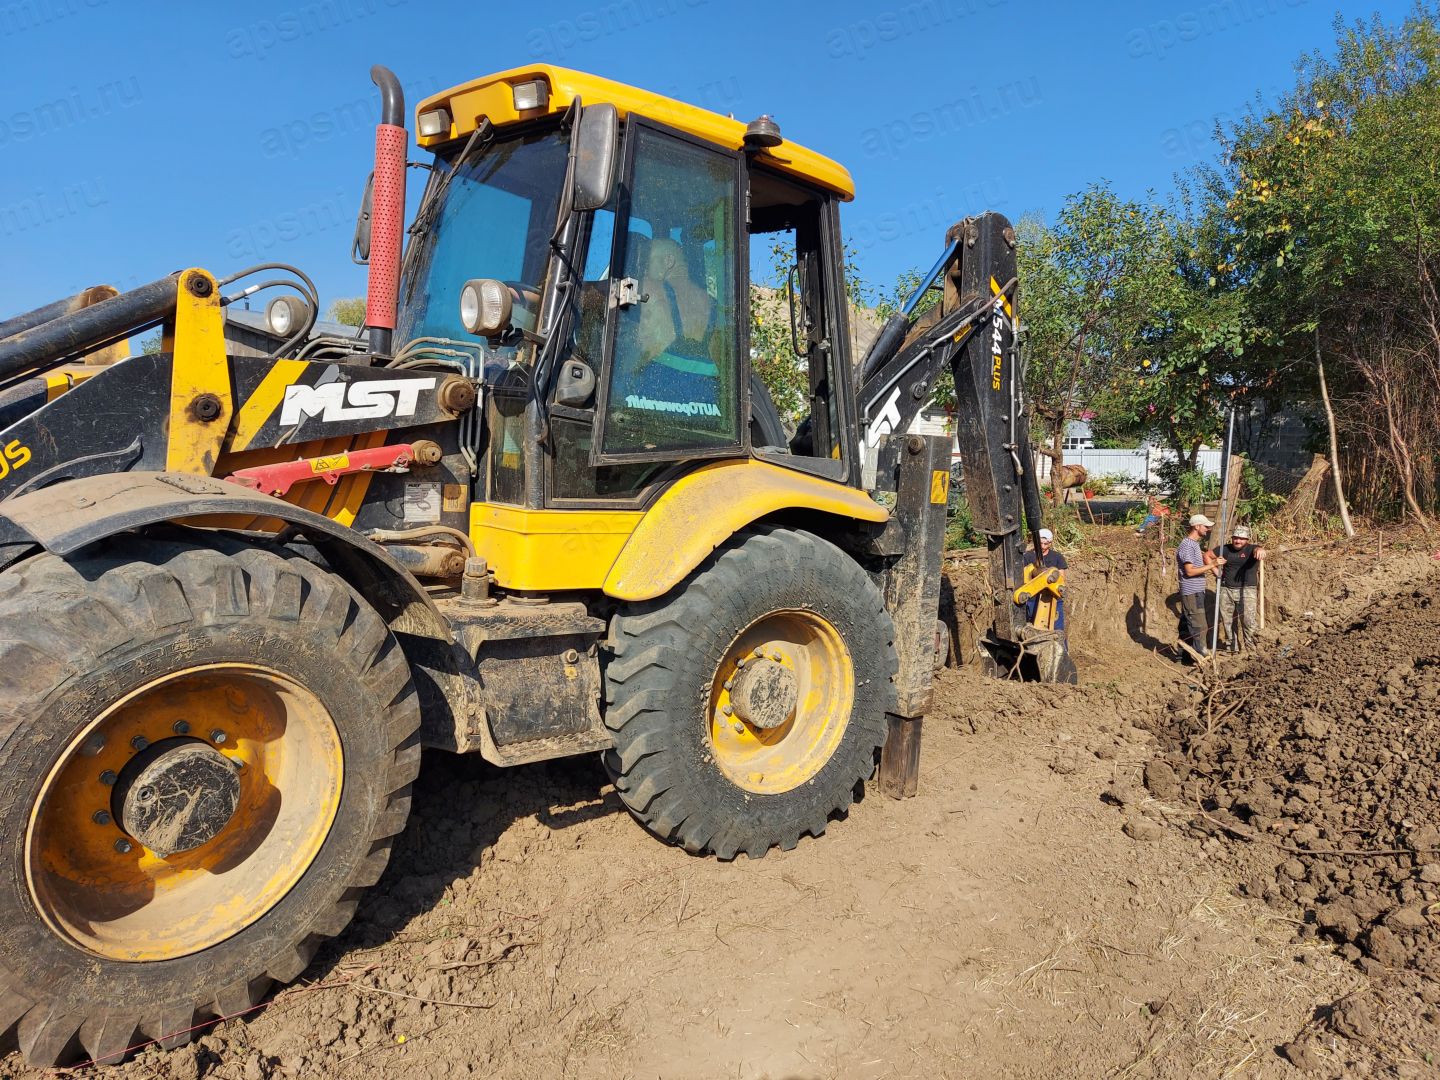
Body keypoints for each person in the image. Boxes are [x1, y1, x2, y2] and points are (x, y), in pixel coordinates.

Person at [1175, 513, 1224, 659]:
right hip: (1192, 591)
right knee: (1199, 625)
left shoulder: (1194, 544)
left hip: (1196, 591)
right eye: (1206, 526)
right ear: (1196, 526)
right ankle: (1200, 656)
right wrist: (1212, 565)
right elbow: (1189, 572)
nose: (1208, 529)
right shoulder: (1187, 546)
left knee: (1188, 623)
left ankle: (1184, 655)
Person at [1216, 524, 1266, 652]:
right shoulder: (1224, 549)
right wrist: (1215, 570)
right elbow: (1207, 556)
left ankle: (1252, 650)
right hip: (1226, 590)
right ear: (1232, 538)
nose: (1238, 541)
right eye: (1235, 538)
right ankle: (1233, 649)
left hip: (1247, 589)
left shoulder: (1251, 549)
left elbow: (1258, 550)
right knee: (1227, 621)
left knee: (1248, 621)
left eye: (1241, 538)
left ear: (1247, 540)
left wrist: (1260, 550)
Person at [1022, 527, 1068, 630]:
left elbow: (1061, 578)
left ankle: (1060, 646)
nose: (1043, 546)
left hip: (1053, 598)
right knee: (1032, 629)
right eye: (1040, 544)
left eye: (1046, 544)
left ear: (1050, 543)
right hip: (1032, 599)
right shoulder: (1027, 557)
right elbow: (1024, 577)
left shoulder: (1057, 557)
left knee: (1057, 630)